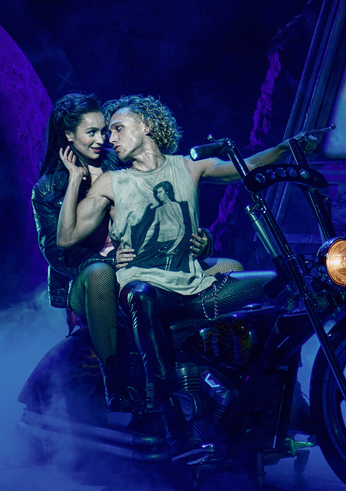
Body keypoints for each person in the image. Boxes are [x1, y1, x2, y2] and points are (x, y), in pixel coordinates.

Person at [57, 94, 315, 463]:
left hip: (195, 289)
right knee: (140, 294)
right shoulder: (112, 182)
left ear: (147, 126)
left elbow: (246, 167)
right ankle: (174, 425)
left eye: (118, 128)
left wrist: (287, 146)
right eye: (108, 131)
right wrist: (74, 180)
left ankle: (287, 404)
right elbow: (67, 237)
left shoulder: (189, 168)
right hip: (145, 291)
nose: (111, 138)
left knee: (280, 283)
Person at [32, 93, 216, 414]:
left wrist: (204, 241)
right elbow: (56, 252)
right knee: (100, 274)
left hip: (143, 270)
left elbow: (169, 209)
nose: (102, 139)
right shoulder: (47, 189)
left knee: (226, 270)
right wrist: (105, 260)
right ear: (68, 136)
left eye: (105, 131)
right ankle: (114, 380)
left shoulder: (119, 161)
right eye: (92, 132)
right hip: (90, 281)